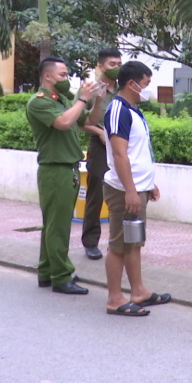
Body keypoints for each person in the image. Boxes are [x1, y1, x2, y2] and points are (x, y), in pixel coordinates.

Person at [26, 57, 105, 294]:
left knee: (53, 225)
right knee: (58, 226)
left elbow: (87, 121)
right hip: (54, 169)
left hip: (67, 169)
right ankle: (60, 277)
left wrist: (97, 100)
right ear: (47, 76)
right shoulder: (38, 102)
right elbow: (63, 123)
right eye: (62, 74)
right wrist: (81, 98)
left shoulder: (59, 100)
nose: (66, 79)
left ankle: (47, 271)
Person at [101, 61, 170, 316]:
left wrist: (146, 184)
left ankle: (138, 291)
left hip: (137, 187)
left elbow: (138, 153)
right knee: (119, 244)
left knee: (134, 242)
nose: (147, 89)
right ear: (132, 84)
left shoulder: (133, 110)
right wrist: (130, 190)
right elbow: (119, 155)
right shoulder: (118, 110)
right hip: (122, 190)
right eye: (145, 84)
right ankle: (114, 299)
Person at [79, 48, 122, 261]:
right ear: (101, 66)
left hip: (121, 148)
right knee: (95, 196)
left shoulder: (124, 89)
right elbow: (81, 123)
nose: (116, 68)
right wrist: (98, 132)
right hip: (99, 147)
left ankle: (121, 242)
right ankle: (90, 242)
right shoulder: (91, 90)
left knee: (123, 194)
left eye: (118, 64)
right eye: (112, 64)